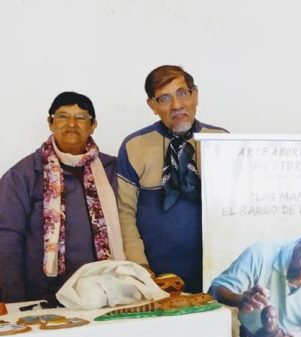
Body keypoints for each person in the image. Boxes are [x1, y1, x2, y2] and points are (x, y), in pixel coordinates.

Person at [0, 92, 125, 303]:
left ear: (93, 125)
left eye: (81, 117)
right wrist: (14, 300)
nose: (72, 124)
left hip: (108, 292)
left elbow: (133, 220)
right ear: (50, 122)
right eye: (63, 116)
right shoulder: (24, 174)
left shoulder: (113, 170)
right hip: (43, 297)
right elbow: (7, 237)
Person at [117, 65, 227, 293]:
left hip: (217, 273)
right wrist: (139, 266)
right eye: (165, 98)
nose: (177, 105)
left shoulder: (221, 141)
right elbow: (124, 212)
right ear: (152, 105)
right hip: (156, 279)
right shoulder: (135, 146)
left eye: (183, 93)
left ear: (195, 95)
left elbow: (234, 207)